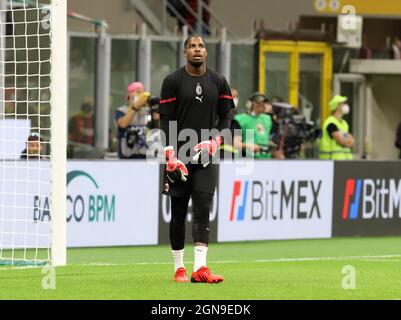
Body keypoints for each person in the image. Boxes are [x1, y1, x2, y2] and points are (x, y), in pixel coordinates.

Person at [159, 35, 234, 283]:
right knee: (178, 212)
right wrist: (170, 154)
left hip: (206, 155)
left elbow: (227, 118)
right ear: (185, 52)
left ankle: (200, 268)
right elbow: (166, 119)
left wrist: (215, 142)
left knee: (203, 208)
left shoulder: (219, 82)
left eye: (201, 46)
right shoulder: (172, 81)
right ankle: (179, 268)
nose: (197, 49)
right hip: (178, 157)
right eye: (192, 46)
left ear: (206, 52)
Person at [115, 82, 151, 159]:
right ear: (129, 95)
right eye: (138, 92)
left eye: (142, 93)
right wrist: (135, 106)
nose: (141, 95)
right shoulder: (121, 111)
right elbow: (123, 124)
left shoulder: (148, 111)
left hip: (146, 157)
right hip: (127, 157)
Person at [233, 93, 274, 159]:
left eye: (264, 103)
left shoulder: (267, 119)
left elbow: (265, 138)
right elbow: (236, 144)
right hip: (248, 160)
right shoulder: (240, 119)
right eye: (260, 103)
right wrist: (249, 146)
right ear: (252, 104)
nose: (263, 105)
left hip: (266, 160)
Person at [319, 95, 354, 160]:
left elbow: (352, 141)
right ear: (337, 106)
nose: (346, 105)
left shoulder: (344, 123)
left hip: (344, 160)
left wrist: (346, 139)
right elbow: (341, 140)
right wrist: (346, 140)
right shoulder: (330, 123)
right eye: (343, 103)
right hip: (332, 161)